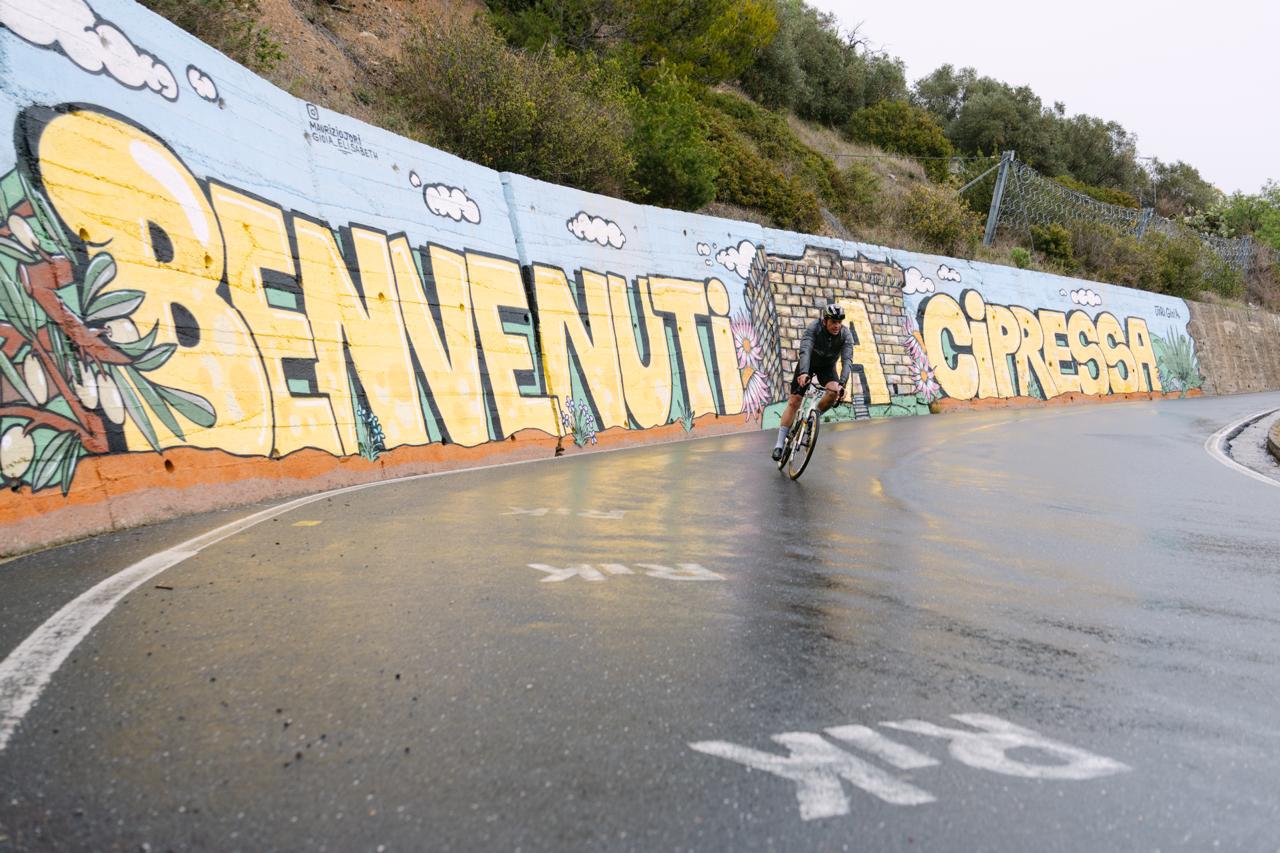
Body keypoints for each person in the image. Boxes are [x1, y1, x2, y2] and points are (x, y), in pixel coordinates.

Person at [771, 302, 854, 461]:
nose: (837, 325)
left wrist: (843, 384)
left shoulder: (845, 335)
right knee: (794, 402)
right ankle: (779, 445)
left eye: (839, 322)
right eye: (833, 322)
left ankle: (812, 419)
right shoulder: (814, 328)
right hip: (808, 364)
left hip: (827, 368)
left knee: (835, 391)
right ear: (825, 321)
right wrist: (803, 372)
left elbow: (847, 360)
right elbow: (806, 350)